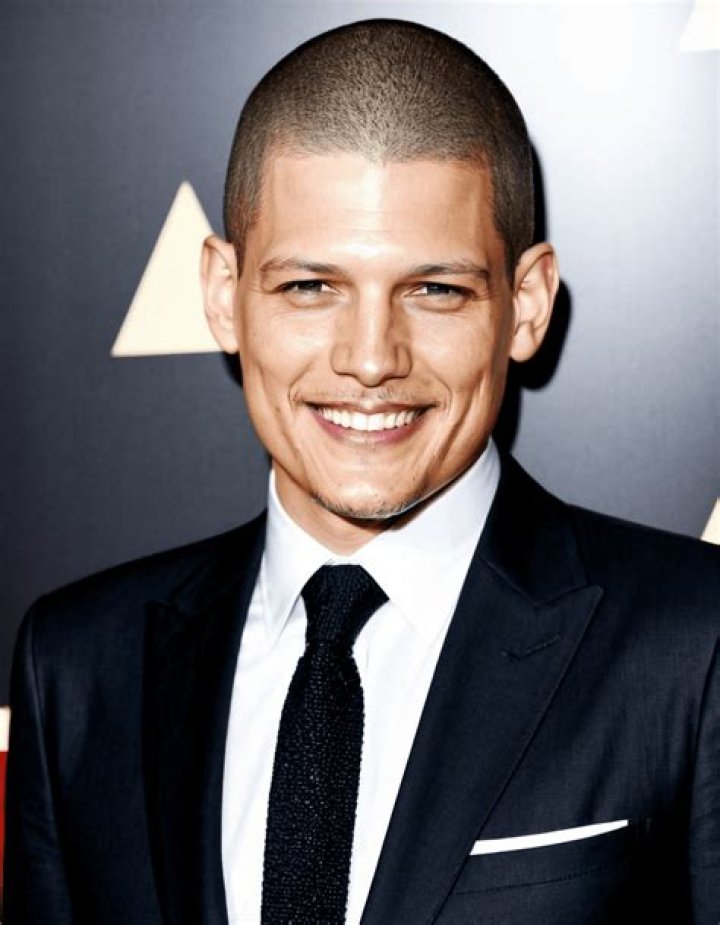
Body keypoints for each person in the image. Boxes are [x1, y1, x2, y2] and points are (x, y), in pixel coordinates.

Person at [4, 18, 719, 925]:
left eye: (436, 289)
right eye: (310, 286)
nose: (372, 358)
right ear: (224, 296)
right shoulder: (77, 666)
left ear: (526, 304)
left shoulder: (694, 642)